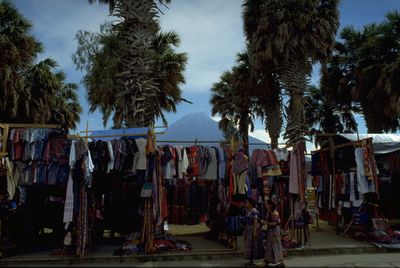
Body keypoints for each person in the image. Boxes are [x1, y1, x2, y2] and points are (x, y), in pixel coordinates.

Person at [261, 199, 285, 267]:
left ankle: (281, 262)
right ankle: (267, 261)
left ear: (270, 205)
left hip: (274, 232)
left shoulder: (275, 213)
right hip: (270, 232)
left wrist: (265, 222)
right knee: (269, 247)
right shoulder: (269, 212)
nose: (265, 206)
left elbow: (275, 223)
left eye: (267, 204)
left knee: (276, 246)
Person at [243, 197, 264, 266]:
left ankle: (254, 261)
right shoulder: (248, 210)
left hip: (253, 228)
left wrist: (254, 231)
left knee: (254, 244)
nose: (246, 204)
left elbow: (255, 221)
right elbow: (247, 222)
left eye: (247, 203)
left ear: (251, 204)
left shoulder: (254, 210)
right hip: (248, 228)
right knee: (249, 245)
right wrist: (245, 230)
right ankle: (250, 261)